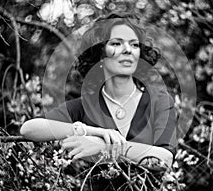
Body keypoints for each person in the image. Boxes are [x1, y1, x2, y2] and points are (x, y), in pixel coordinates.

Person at [20, 13, 177, 171]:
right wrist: (88, 132)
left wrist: (104, 148)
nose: (128, 50)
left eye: (135, 45)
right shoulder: (85, 106)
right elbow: (29, 129)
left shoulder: (159, 101)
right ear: (99, 54)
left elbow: (165, 159)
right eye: (116, 43)